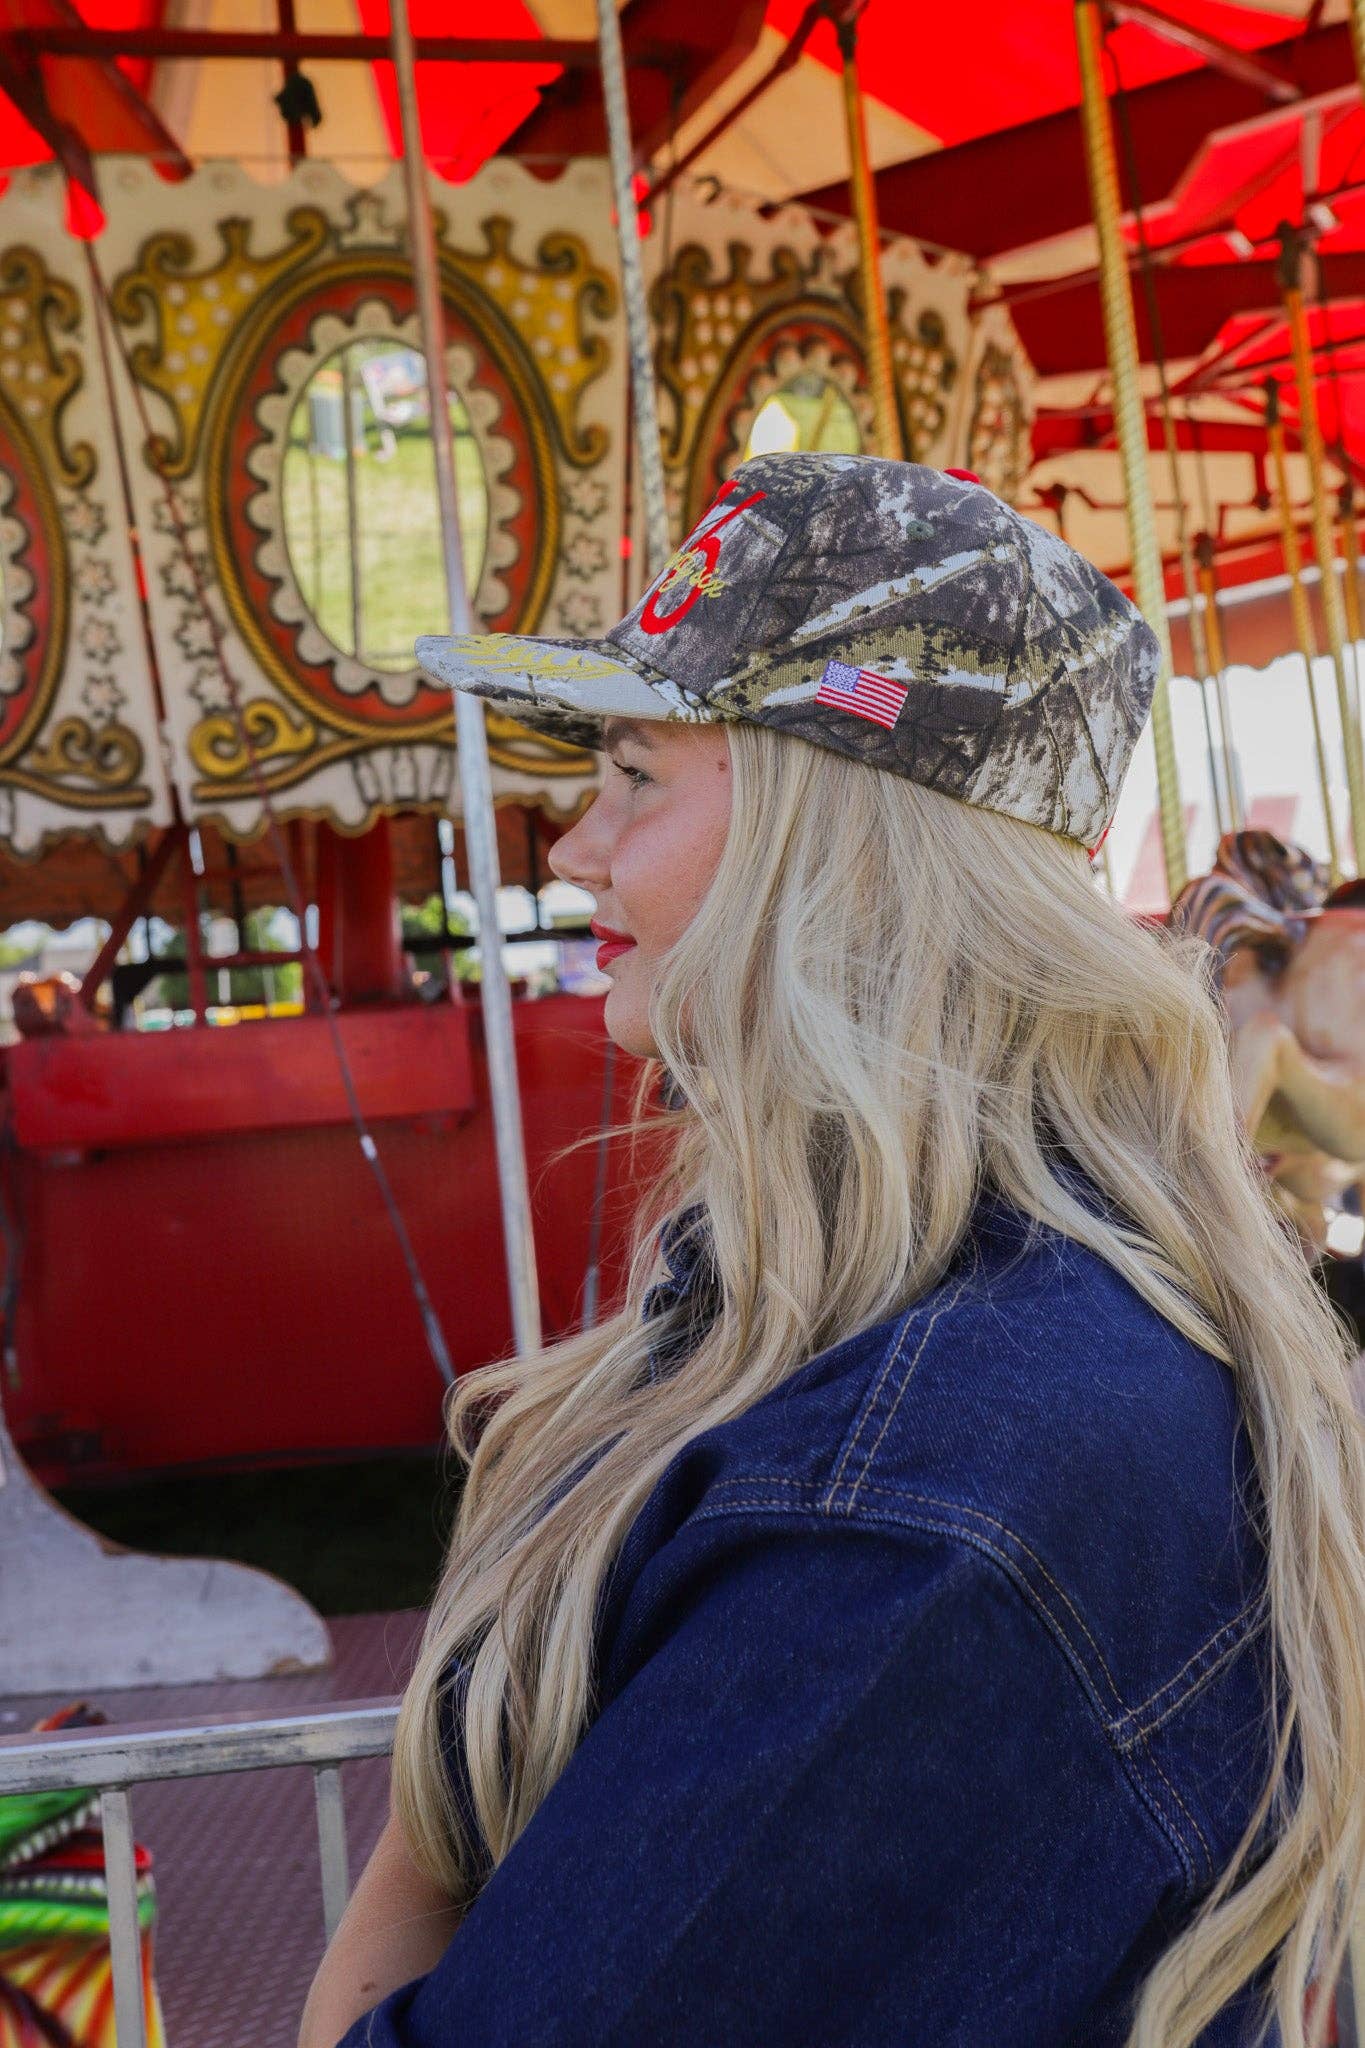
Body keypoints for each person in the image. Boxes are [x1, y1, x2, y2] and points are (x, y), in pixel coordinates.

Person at [298, 454, 1365, 2048]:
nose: (573, 848)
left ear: (841, 838)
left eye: (635, 775)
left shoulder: (912, 1483)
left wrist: (444, 1774)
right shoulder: (1023, 1333)